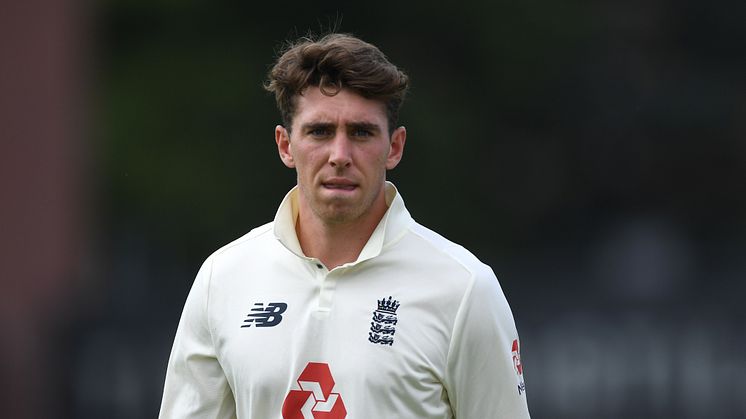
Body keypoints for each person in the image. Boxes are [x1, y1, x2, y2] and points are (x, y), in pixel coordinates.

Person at [158, 33, 530, 419]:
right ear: (285, 145)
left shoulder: (465, 288)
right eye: (319, 131)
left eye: (361, 132)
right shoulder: (223, 278)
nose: (340, 155)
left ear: (395, 147)